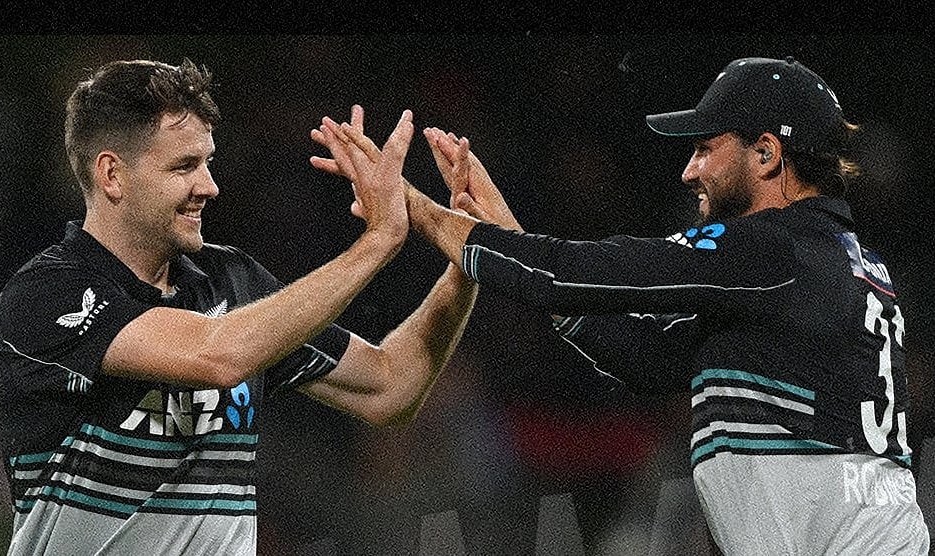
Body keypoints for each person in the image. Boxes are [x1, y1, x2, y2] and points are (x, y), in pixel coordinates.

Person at [326, 56, 931, 554]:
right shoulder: (813, 265)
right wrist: (505, 235)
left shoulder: (776, 252)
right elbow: (643, 358)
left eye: (706, 148)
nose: (690, 171)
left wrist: (418, 212)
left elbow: (583, 274)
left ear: (768, 154)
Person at [0, 59, 477, 555]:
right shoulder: (47, 294)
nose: (209, 186)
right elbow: (218, 357)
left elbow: (392, 387)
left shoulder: (233, 283)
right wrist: (378, 241)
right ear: (112, 174)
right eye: (183, 166)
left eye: (207, 162)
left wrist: (467, 258)